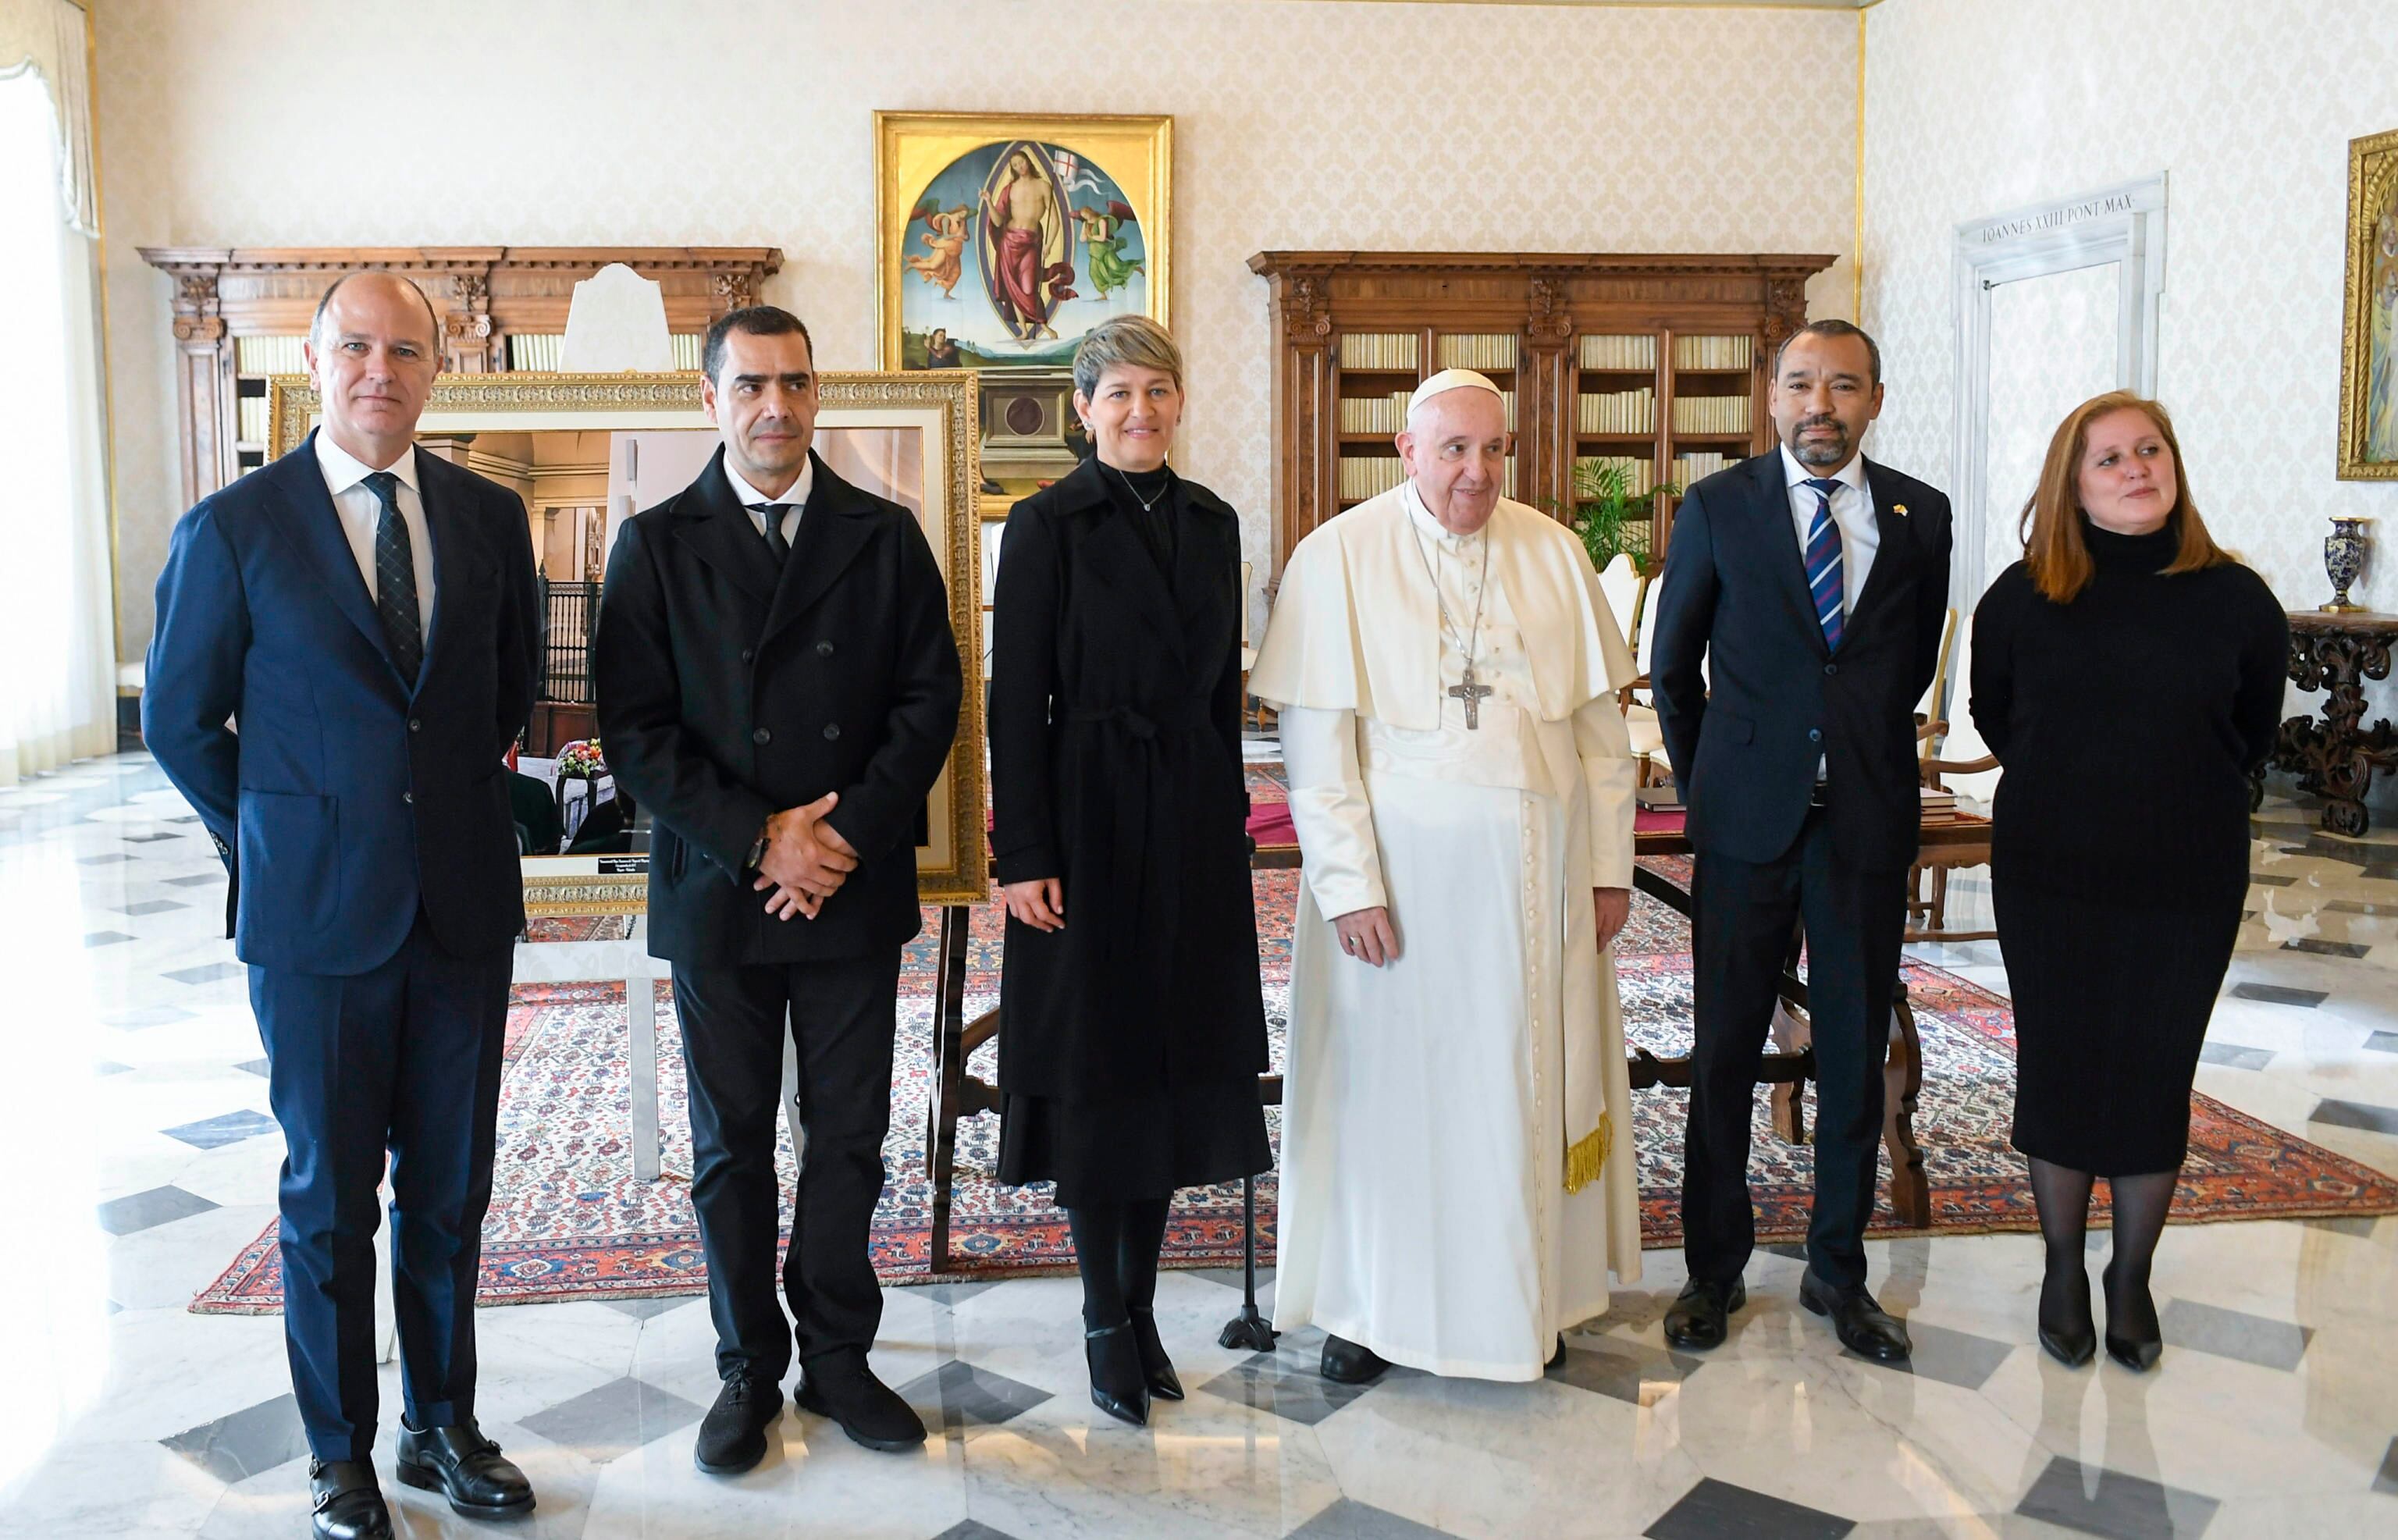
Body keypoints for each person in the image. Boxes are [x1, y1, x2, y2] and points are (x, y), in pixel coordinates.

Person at [145, 271, 543, 1539]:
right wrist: (272, 833)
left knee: (450, 1187)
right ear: (317, 360)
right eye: (357, 346)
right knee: (327, 1197)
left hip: (462, 910)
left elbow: (504, 696)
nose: (382, 369)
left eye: (406, 350)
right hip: (315, 920)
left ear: (438, 369)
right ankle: (340, 1454)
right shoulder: (235, 527)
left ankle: (440, 1425)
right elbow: (178, 721)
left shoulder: (488, 518)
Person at [592, 306, 963, 1474]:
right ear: (710, 398)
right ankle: (747, 1363)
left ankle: (841, 1355)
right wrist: (764, 842)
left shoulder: (886, 535)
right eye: (751, 384)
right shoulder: (654, 546)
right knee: (730, 1143)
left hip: (848, 886)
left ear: (818, 395)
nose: (775, 406)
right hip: (720, 887)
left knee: (851, 1134)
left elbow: (928, 701)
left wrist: (839, 835)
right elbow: (636, 734)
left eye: (795, 384)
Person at [1251, 368, 1645, 1385]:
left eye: (1492, 450)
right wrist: (1350, 886)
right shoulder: (1337, 557)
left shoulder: (1552, 552)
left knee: (1525, 1086)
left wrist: (1607, 870)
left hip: (1537, 891)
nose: (1476, 473)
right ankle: (1367, 1308)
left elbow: (1605, 743)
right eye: (1454, 450)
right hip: (1402, 901)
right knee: (1391, 1096)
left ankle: (1534, 1306)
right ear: (1407, 449)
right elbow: (1318, 741)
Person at [1649, 318, 1952, 1364]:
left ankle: (1838, 1269)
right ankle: (1712, 1270)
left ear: (1875, 398)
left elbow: (1901, 667)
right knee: (1727, 1046)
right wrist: (1715, 783)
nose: (1821, 405)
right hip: (1746, 822)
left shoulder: (1922, 514)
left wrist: (1848, 748)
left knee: (1856, 1052)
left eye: (1845, 386)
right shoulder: (1718, 507)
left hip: (1863, 821)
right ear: (1771, 397)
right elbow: (1673, 665)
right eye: (1802, 385)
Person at [988, 316, 1272, 1427]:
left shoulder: (1214, 521)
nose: (1139, 412)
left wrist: (1230, 815)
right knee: (1100, 1074)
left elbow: (1218, 692)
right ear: (1084, 407)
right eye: (1117, 394)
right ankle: (1103, 1316)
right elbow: (1017, 703)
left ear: (1182, 400)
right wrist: (1024, 853)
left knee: (1170, 1074)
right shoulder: (1047, 523)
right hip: (1085, 822)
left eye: (1157, 391)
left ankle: (1143, 1306)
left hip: (1193, 822)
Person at [1969, 392, 2286, 1371]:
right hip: (2051, 870)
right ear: (2073, 483)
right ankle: (2065, 1264)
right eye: (2109, 458)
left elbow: (2254, 728)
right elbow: (1995, 714)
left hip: (2186, 871)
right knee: (2061, 1058)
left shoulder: (2237, 597)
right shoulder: (2022, 596)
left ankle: (2131, 1273)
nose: (2136, 468)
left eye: (2150, 450)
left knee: (2156, 1064)